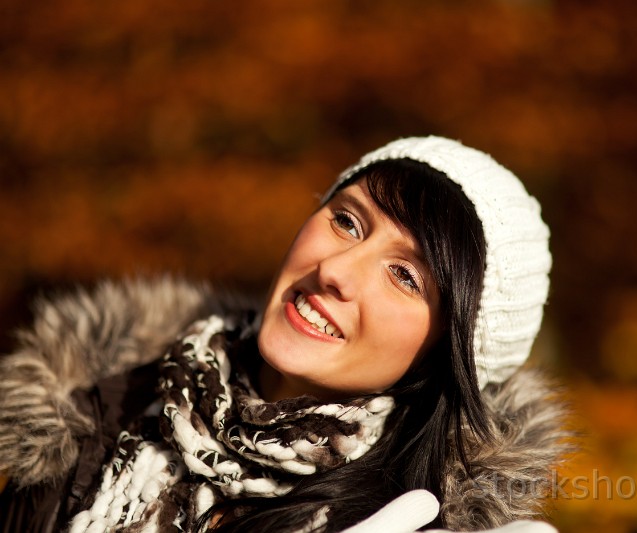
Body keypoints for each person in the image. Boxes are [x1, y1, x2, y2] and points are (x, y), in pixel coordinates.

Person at [0, 136, 569, 532]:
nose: (336, 270)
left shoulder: (413, 521)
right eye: (347, 221)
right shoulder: (91, 412)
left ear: (446, 356)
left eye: (405, 275)